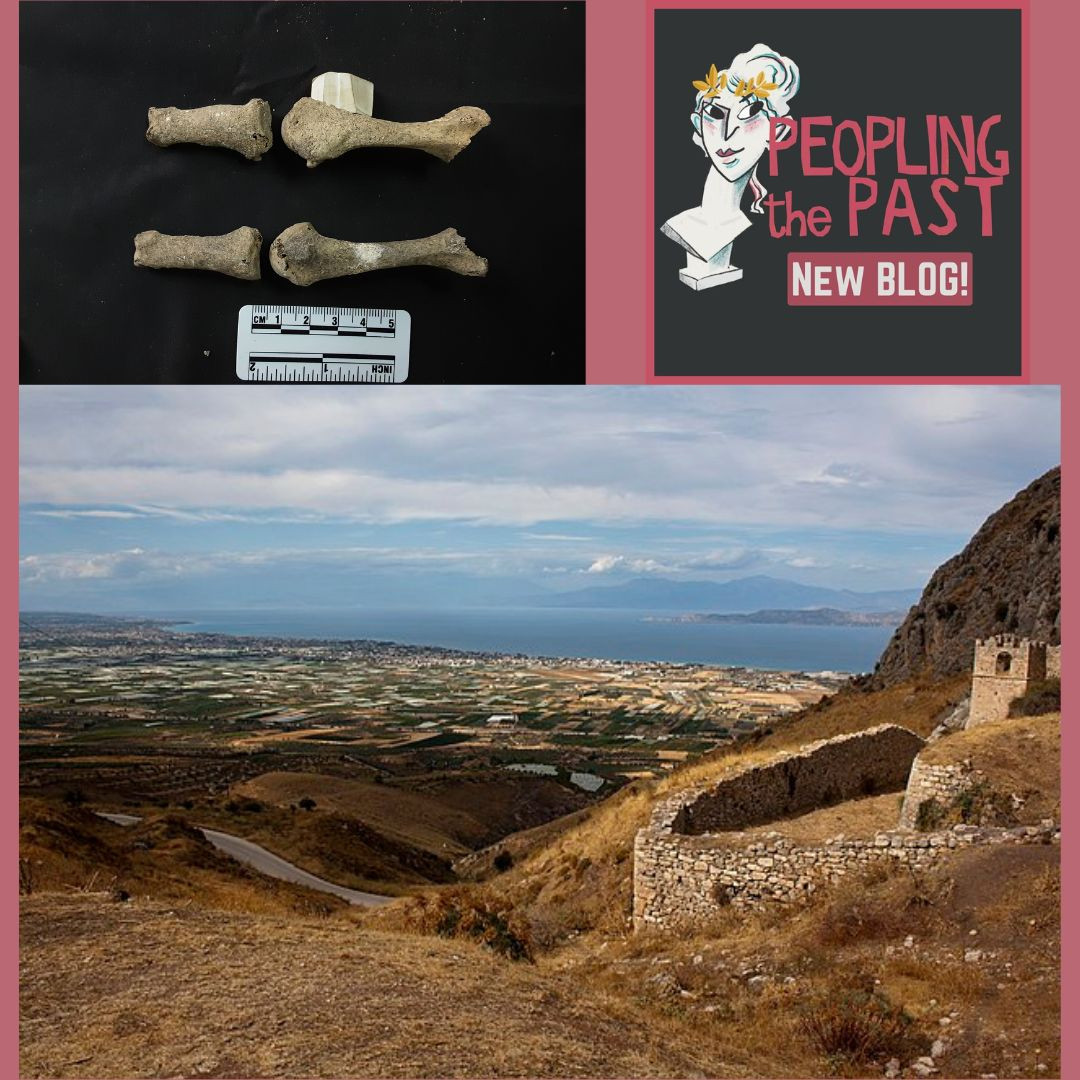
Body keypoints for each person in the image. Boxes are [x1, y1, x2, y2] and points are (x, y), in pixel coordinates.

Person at [662, 43, 799, 290]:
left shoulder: (736, 224)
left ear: (778, 131)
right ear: (698, 124)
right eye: (714, 113)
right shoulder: (686, 222)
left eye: (750, 113)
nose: (727, 133)